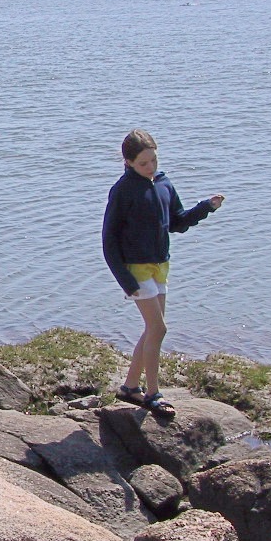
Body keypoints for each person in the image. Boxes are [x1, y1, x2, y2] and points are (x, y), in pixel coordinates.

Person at [102, 129, 224, 418]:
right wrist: (125, 280)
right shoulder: (123, 190)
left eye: (153, 160)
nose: (150, 167)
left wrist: (206, 207)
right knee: (159, 329)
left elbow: (178, 222)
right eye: (143, 163)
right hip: (136, 268)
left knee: (152, 329)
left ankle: (130, 387)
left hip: (160, 265)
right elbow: (109, 239)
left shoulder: (164, 184)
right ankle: (152, 393)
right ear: (128, 162)